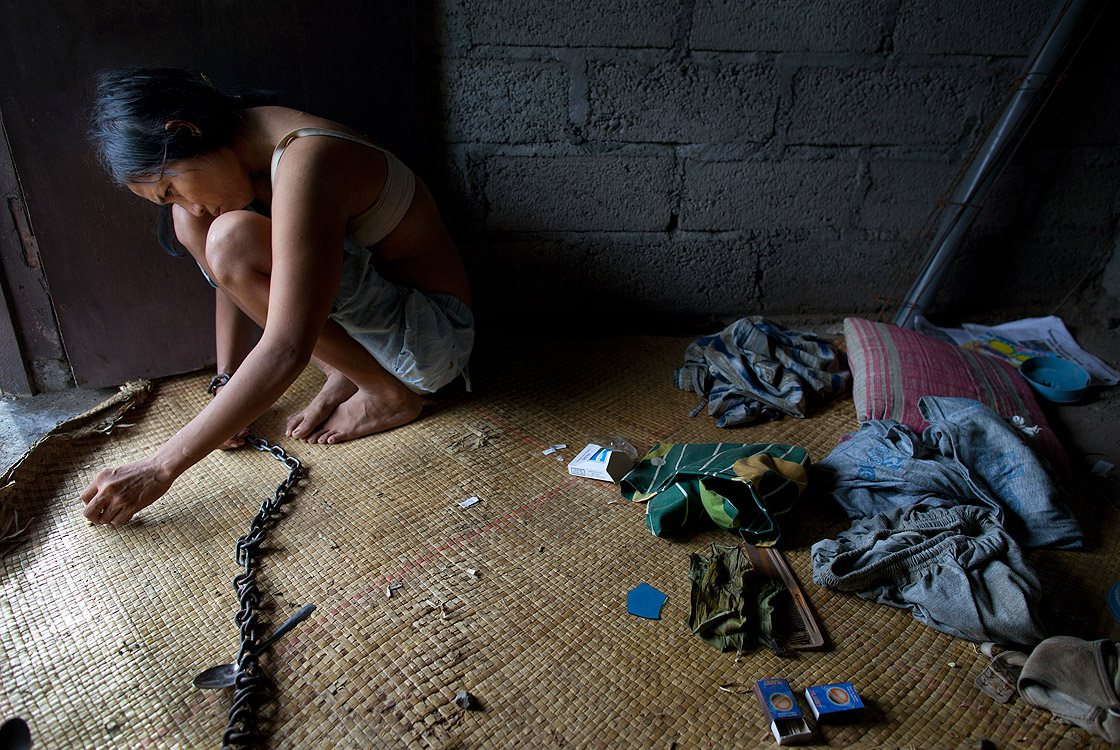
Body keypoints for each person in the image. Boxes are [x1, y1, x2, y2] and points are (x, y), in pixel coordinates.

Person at [79, 68, 473, 525]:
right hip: (370, 327)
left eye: (172, 189)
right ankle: (346, 371)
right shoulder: (238, 143)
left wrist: (159, 466)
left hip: (429, 342)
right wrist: (226, 379)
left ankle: (384, 391)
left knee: (229, 237)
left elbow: (285, 347)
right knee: (200, 227)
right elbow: (231, 280)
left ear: (185, 131)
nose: (187, 203)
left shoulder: (308, 158)